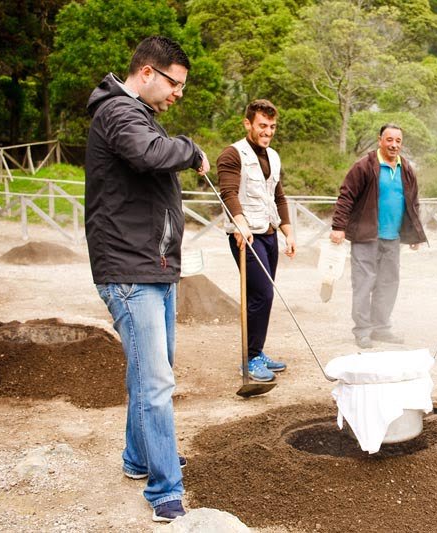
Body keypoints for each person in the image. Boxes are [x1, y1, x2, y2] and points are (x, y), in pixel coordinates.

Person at [85, 36, 210, 522]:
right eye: (175, 83)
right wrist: (191, 149)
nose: (178, 93)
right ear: (147, 73)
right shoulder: (119, 112)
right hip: (129, 270)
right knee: (155, 383)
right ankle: (164, 490)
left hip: (151, 267)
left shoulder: (137, 114)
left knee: (151, 373)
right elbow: (149, 154)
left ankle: (140, 458)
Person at [217, 99, 295, 382]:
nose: (268, 131)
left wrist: (288, 232)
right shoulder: (232, 154)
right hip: (245, 236)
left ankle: (257, 352)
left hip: (270, 234)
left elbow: (278, 196)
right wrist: (240, 223)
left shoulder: (273, 156)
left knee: (261, 295)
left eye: (272, 126)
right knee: (263, 294)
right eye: (263, 125)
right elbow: (228, 193)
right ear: (247, 123)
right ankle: (249, 360)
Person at [330, 124, 427, 349]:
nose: (394, 145)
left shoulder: (406, 168)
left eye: (398, 141)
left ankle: (381, 328)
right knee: (364, 283)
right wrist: (338, 226)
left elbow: (413, 202)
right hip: (366, 236)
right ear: (380, 140)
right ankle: (363, 331)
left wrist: (414, 234)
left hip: (393, 238)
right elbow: (346, 196)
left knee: (388, 284)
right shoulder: (364, 165)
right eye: (389, 140)